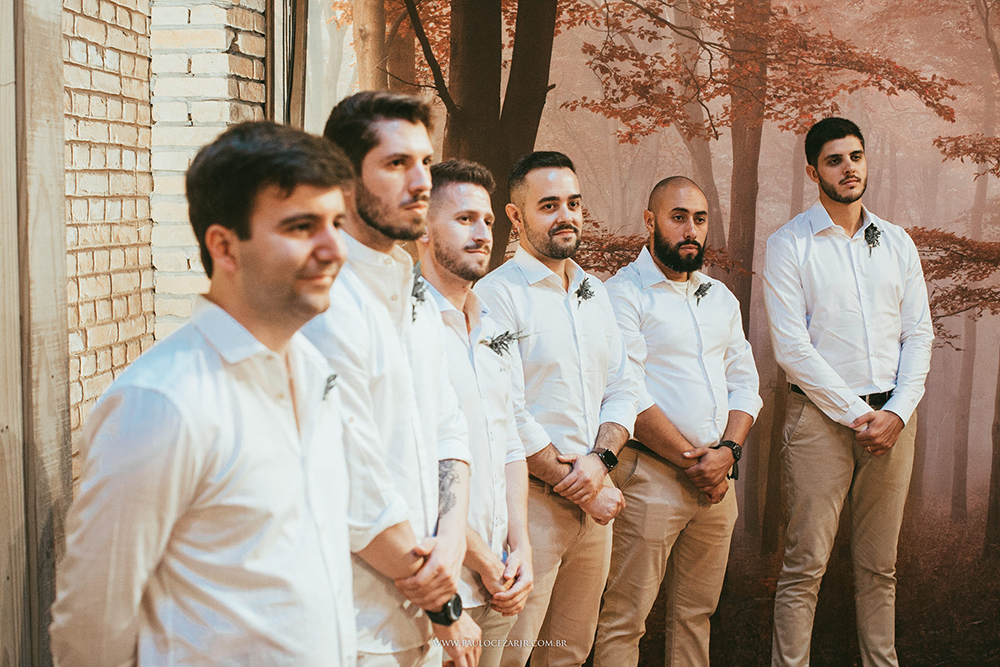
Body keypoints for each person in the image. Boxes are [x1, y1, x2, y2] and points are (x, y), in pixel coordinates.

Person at [49, 121, 357, 666]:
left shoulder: (314, 370)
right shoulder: (162, 403)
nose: (335, 249)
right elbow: (92, 626)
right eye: (302, 226)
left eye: (336, 223)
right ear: (224, 246)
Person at [302, 90, 480, 667]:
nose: (422, 182)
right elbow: (354, 488)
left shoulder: (411, 287)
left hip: (423, 609)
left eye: (425, 161)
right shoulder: (324, 300)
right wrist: (444, 603)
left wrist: (451, 547)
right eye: (397, 163)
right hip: (353, 626)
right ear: (343, 177)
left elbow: (449, 426)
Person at [762, 117, 934, 667]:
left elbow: (918, 334)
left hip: (894, 421)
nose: (848, 168)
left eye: (855, 156)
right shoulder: (789, 244)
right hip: (819, 420)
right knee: (804, 567)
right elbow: (792, 349)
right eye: (834, 160)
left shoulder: (897, 242)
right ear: (813, 172)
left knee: (880, 567)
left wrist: (898, 411)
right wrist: (860, 415)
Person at [474, 151, 640, 667]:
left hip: (596, 497)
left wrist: (601, 463)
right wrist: (578, 483)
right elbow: (506, 409)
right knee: (508, 654)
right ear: (515, 216)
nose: (566, 215)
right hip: (529, 506)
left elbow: (624, 386)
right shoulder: (495, 295)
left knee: (569, 654)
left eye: (573, 203)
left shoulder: (594, 292)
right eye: (549, 205)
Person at [594, 176, 762, 667]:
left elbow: (745, 384)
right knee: (625, 618)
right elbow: (627, 393)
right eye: (678, 217)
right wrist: (697, 464)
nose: (691, 230)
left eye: (700, 219)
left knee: (696, 616)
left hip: (717, 482)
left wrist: (727, 453)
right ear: (650, 221)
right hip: (650, 477)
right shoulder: (621, 295)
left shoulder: (720, 298)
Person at [416, 159, 534, 667]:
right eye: (464, 219)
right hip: (436, 586)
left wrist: (521, 545)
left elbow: (510, 441)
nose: (484, 233)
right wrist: (483, 560)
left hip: (501, 580)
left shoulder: (494, 325)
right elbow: (414, 468)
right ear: (422, 227)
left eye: (487, 220)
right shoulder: (405, 326)